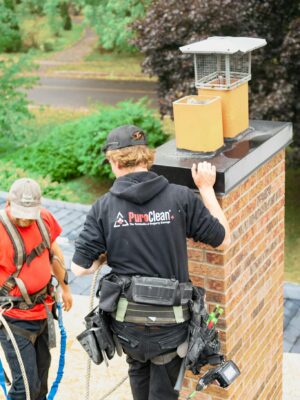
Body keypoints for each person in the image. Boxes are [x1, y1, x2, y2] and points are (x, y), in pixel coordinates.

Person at [71, 125, 231, 400]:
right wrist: (205, 188)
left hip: (128, 329)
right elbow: (224, 239)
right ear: (148, 158)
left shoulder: (104, 207)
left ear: (115, 161)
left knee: (139, 378)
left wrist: (107, 252)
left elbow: (80, 268)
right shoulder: (179, 197)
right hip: (172, 329)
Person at [0, 178, 73, 400]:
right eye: (20, 212)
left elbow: (54, 254)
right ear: (9, 204)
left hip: (42, 312)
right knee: (25, 388)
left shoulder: (44, 219)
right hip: (12, 317)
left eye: (29, 213)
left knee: (40, 385)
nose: (24, 218)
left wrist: (64, 287)